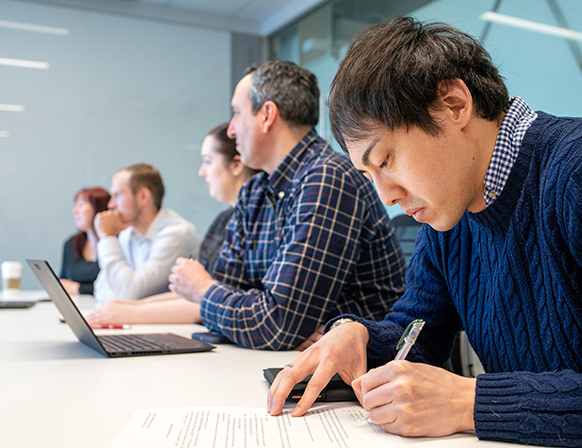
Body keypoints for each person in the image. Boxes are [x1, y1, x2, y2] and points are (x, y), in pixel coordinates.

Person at [267, 18, 582, 447]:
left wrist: (471, 402)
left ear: (453, 104)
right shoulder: (449, 213)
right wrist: (361, 336)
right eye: (369, 174)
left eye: (385, 160)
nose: (386, 196)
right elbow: (417, 335)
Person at [167, 60, 406, 351]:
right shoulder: (254, 191)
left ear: (267, 115)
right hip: (290, 362)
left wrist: (204, 291)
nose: (231, 130)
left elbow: (276, 325)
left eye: (237, 113)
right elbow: (226, 319)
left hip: (363, 377)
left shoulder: (327, 178)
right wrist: (262, 319)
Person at [85, 123, 259, 324]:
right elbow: (197, 295)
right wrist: (128, 307)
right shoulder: (223, 221)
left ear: (237, 165)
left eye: (208, 161)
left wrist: (130, 309)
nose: (202, 172)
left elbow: (208, 299)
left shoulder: (178, 232)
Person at [93, 163, 201, 303]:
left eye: (117, 195)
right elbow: (100, 289)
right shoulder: (128, 234)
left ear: (143, 196)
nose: (111, 205)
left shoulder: (176, 234)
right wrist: (123, 293)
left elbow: (129, 293)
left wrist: (107, 236)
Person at [59, 187, 110, 295]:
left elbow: (116, 287)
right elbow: (63, 284)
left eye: (81, 205)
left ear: (98, 208)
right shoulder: (71, 244)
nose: (75, 211)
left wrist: (80, 289)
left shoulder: (114, 243)